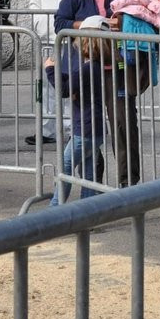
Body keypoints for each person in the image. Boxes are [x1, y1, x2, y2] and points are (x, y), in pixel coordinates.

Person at [54, 0, 148, 187]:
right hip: (86, 69)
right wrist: (89, 24)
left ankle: (129, 185)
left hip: (117, 68)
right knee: (88, 130)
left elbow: (142, 19)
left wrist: (123, 24)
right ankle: (93, 185)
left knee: (123, 126)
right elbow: (60, 23)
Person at [48, 15, 112, 206]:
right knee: (88, 172)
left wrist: (50, 70)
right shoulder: (95, 67)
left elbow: (65, 89)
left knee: (65, 166)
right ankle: (88, 212)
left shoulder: (87, 68)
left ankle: (55, 209)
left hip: (84, 128)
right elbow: (72, 83)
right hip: (95, 128)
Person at [26, 0, 81, 146]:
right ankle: (47, 130)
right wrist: (40, 25)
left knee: (68, 82)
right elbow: (34, 3)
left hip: (70, 39)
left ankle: (70, 129)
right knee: (46, 84)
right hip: (46, 39)